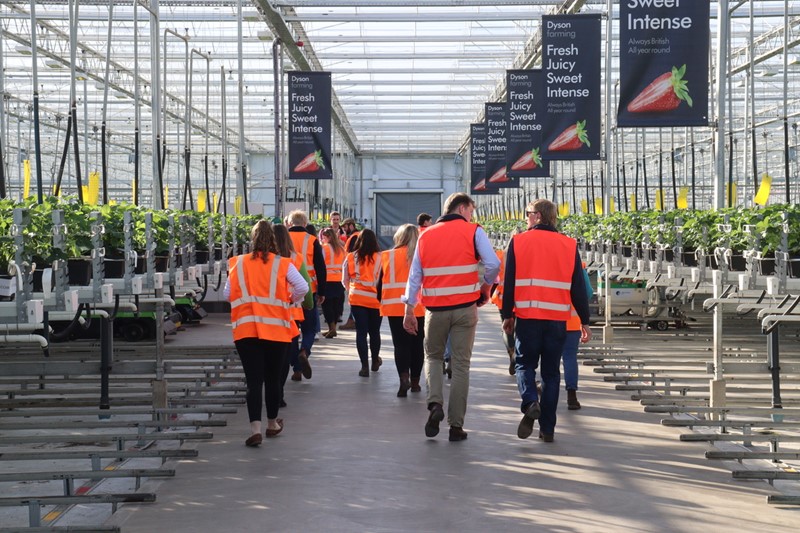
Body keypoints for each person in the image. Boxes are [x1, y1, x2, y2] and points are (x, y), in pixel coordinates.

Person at [402, 192, 500, 442]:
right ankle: (456, 427)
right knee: (460, 365)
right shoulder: (473, 231)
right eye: (471, 210)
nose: (472, 215)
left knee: (433, 357)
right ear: (462, 208)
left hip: (435, 311)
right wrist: (486, 288)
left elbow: (415, 276)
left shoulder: (426, 235)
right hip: (465, 309)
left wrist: (409, 309)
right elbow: (493, 264)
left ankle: (435, 404)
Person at [501, 199, 591, 443]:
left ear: (538, 216)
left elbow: (509, 282)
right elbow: (578, 288)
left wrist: (507, 314)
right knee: (551, 374)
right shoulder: (568, 245)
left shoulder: (518, 242)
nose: (526, 218)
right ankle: (547, 429)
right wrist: (585, 320)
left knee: (524, 365)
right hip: (557, 321)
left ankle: (530, 401)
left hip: (528, 319)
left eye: (528, 213)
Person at [225, 220, 308, 447]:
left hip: (246, 330)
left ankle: (255, 429)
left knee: (254, 381)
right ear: (272, 239)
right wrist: (291, 300)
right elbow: (303, 287)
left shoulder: (238, 263)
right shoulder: (283, 264)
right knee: (272, 379)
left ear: (252, 240)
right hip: (277, 330)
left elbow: (227, 294)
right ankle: (272, 424)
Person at [380, 224, 425, 397]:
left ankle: (403, 379)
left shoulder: (387, 256)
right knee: (417, 345)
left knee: (400, 345)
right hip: (419, 307)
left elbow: (379, 283)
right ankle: (415, 382)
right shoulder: (422, 256)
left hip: (394, 307)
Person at [273, 224, 314, 393]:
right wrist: (307, 304)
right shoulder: (295, 258)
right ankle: (296, 366)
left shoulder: (268, 259)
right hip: (291, 309)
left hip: (270, 311)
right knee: (292, 341)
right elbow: (306, 285)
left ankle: (295, 369)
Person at [287, 210, 327, 380]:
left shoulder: (282, 239)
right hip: (309, 290)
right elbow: (320, 267)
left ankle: (296, 369)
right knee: (309, 328)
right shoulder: (312, 240)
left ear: (289, 223)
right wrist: (322, 291)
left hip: (287, 292)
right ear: (305, 224)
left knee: (291, 331)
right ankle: (305, 351)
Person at [342, 228, 383, 377]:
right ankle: (374, 361)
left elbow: (344, 279)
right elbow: (384, 280)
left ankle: (364, 366)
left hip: (357, 299)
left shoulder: (351, 257)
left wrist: (351, 290)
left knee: (361, 333)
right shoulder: (381, 257)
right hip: (375, 301)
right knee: (374, 332)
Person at [561, 262, 593, 410]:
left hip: (549, 319)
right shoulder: (577, 263)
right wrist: (585, 321)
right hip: (572, 321)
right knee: (569, 357)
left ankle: (546, 389)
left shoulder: (545, 259)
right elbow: (587, 292)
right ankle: (572, 396)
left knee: (549, 358)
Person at [319, 227, 346, 338]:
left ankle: (332, 328)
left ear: (328, 237)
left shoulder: (324, 248)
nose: (323, 239)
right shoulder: (341, 248)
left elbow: (320, 264)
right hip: (339, 279)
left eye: (324, 237)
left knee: (327, 305)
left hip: (328, 280)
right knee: (336, 305)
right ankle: (333, 327)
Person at [340, 217, 361, 330]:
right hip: (357, 271)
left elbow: (352, 255)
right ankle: (351, 319)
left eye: (345, 227)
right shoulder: (356, 235)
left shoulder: (354, 237)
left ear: (350, 225)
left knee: (354, 297)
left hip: (355, 272)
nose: (344, 229)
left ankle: (352, 320)